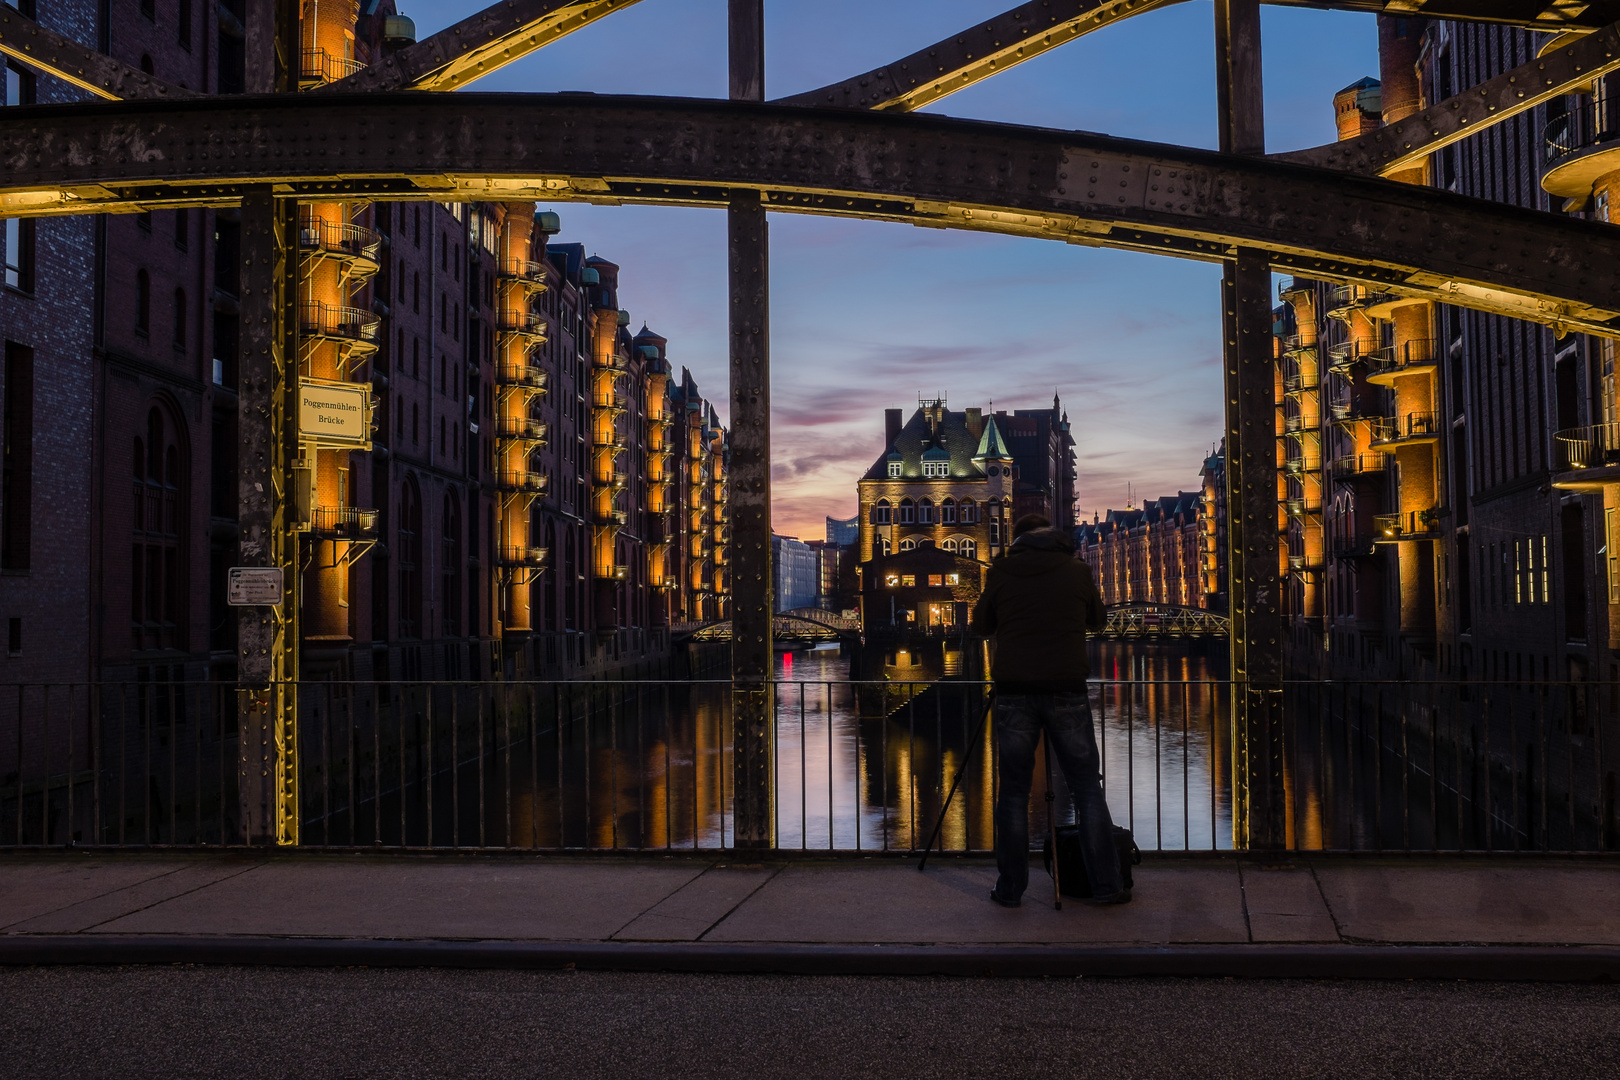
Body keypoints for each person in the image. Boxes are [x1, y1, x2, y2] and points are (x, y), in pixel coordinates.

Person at [969, 513, 1128, 907]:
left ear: (1019, 539)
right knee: (1088, 788)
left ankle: (1010, 891)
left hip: (1015, 691)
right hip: (1066, 689)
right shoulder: (1075, 570)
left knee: (1013, 793)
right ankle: (1107, 886)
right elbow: (1098, 620)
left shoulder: (1002, 571)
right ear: (1053, 537)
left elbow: (982, 625)